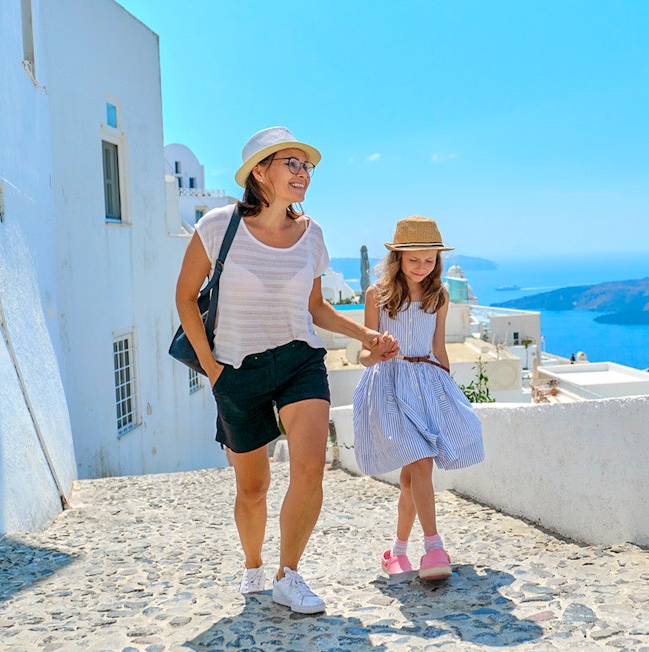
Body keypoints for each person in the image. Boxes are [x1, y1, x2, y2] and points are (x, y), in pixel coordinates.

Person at [175, 126, 398, 614]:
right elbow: (185, 298)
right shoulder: (218, 227)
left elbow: (316, 308)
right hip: (238, 371)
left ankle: (288, 574)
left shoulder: (312, 234)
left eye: (307, 166)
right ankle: (254, 565)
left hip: (300, 360)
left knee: (310, 469)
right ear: (260, 172)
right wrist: (212, 368)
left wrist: (367, 336)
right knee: (253, 489)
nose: (303, 174)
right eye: (291, 164)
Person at [352, 215, 485, 580]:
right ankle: (434, 548)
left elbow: (438, 347)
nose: (422, 267)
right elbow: (362, 356)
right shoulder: (376, 295)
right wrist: (379, 351)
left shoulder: (438, 296)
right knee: (421, 461)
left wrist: (450, 395)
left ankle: (395, 552)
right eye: (414, 260)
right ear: (398, 258)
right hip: (389, 387)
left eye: (429, 260)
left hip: (427, 384)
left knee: (412, 478)